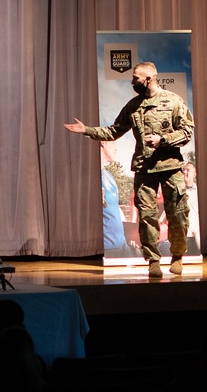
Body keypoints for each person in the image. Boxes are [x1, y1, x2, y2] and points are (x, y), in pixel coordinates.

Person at [65, 61, 195, 277]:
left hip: (171, 168)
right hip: (145, 169)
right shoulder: (133, 106)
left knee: (178, 215)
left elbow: (187, 131)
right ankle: (153, 260)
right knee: (146, 217)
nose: (132, 81)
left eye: (136, 78)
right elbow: (114, 131)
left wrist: (163, 139)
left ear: (149, 79)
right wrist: (86, 130)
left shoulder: (173, 101)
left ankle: (178, 256)